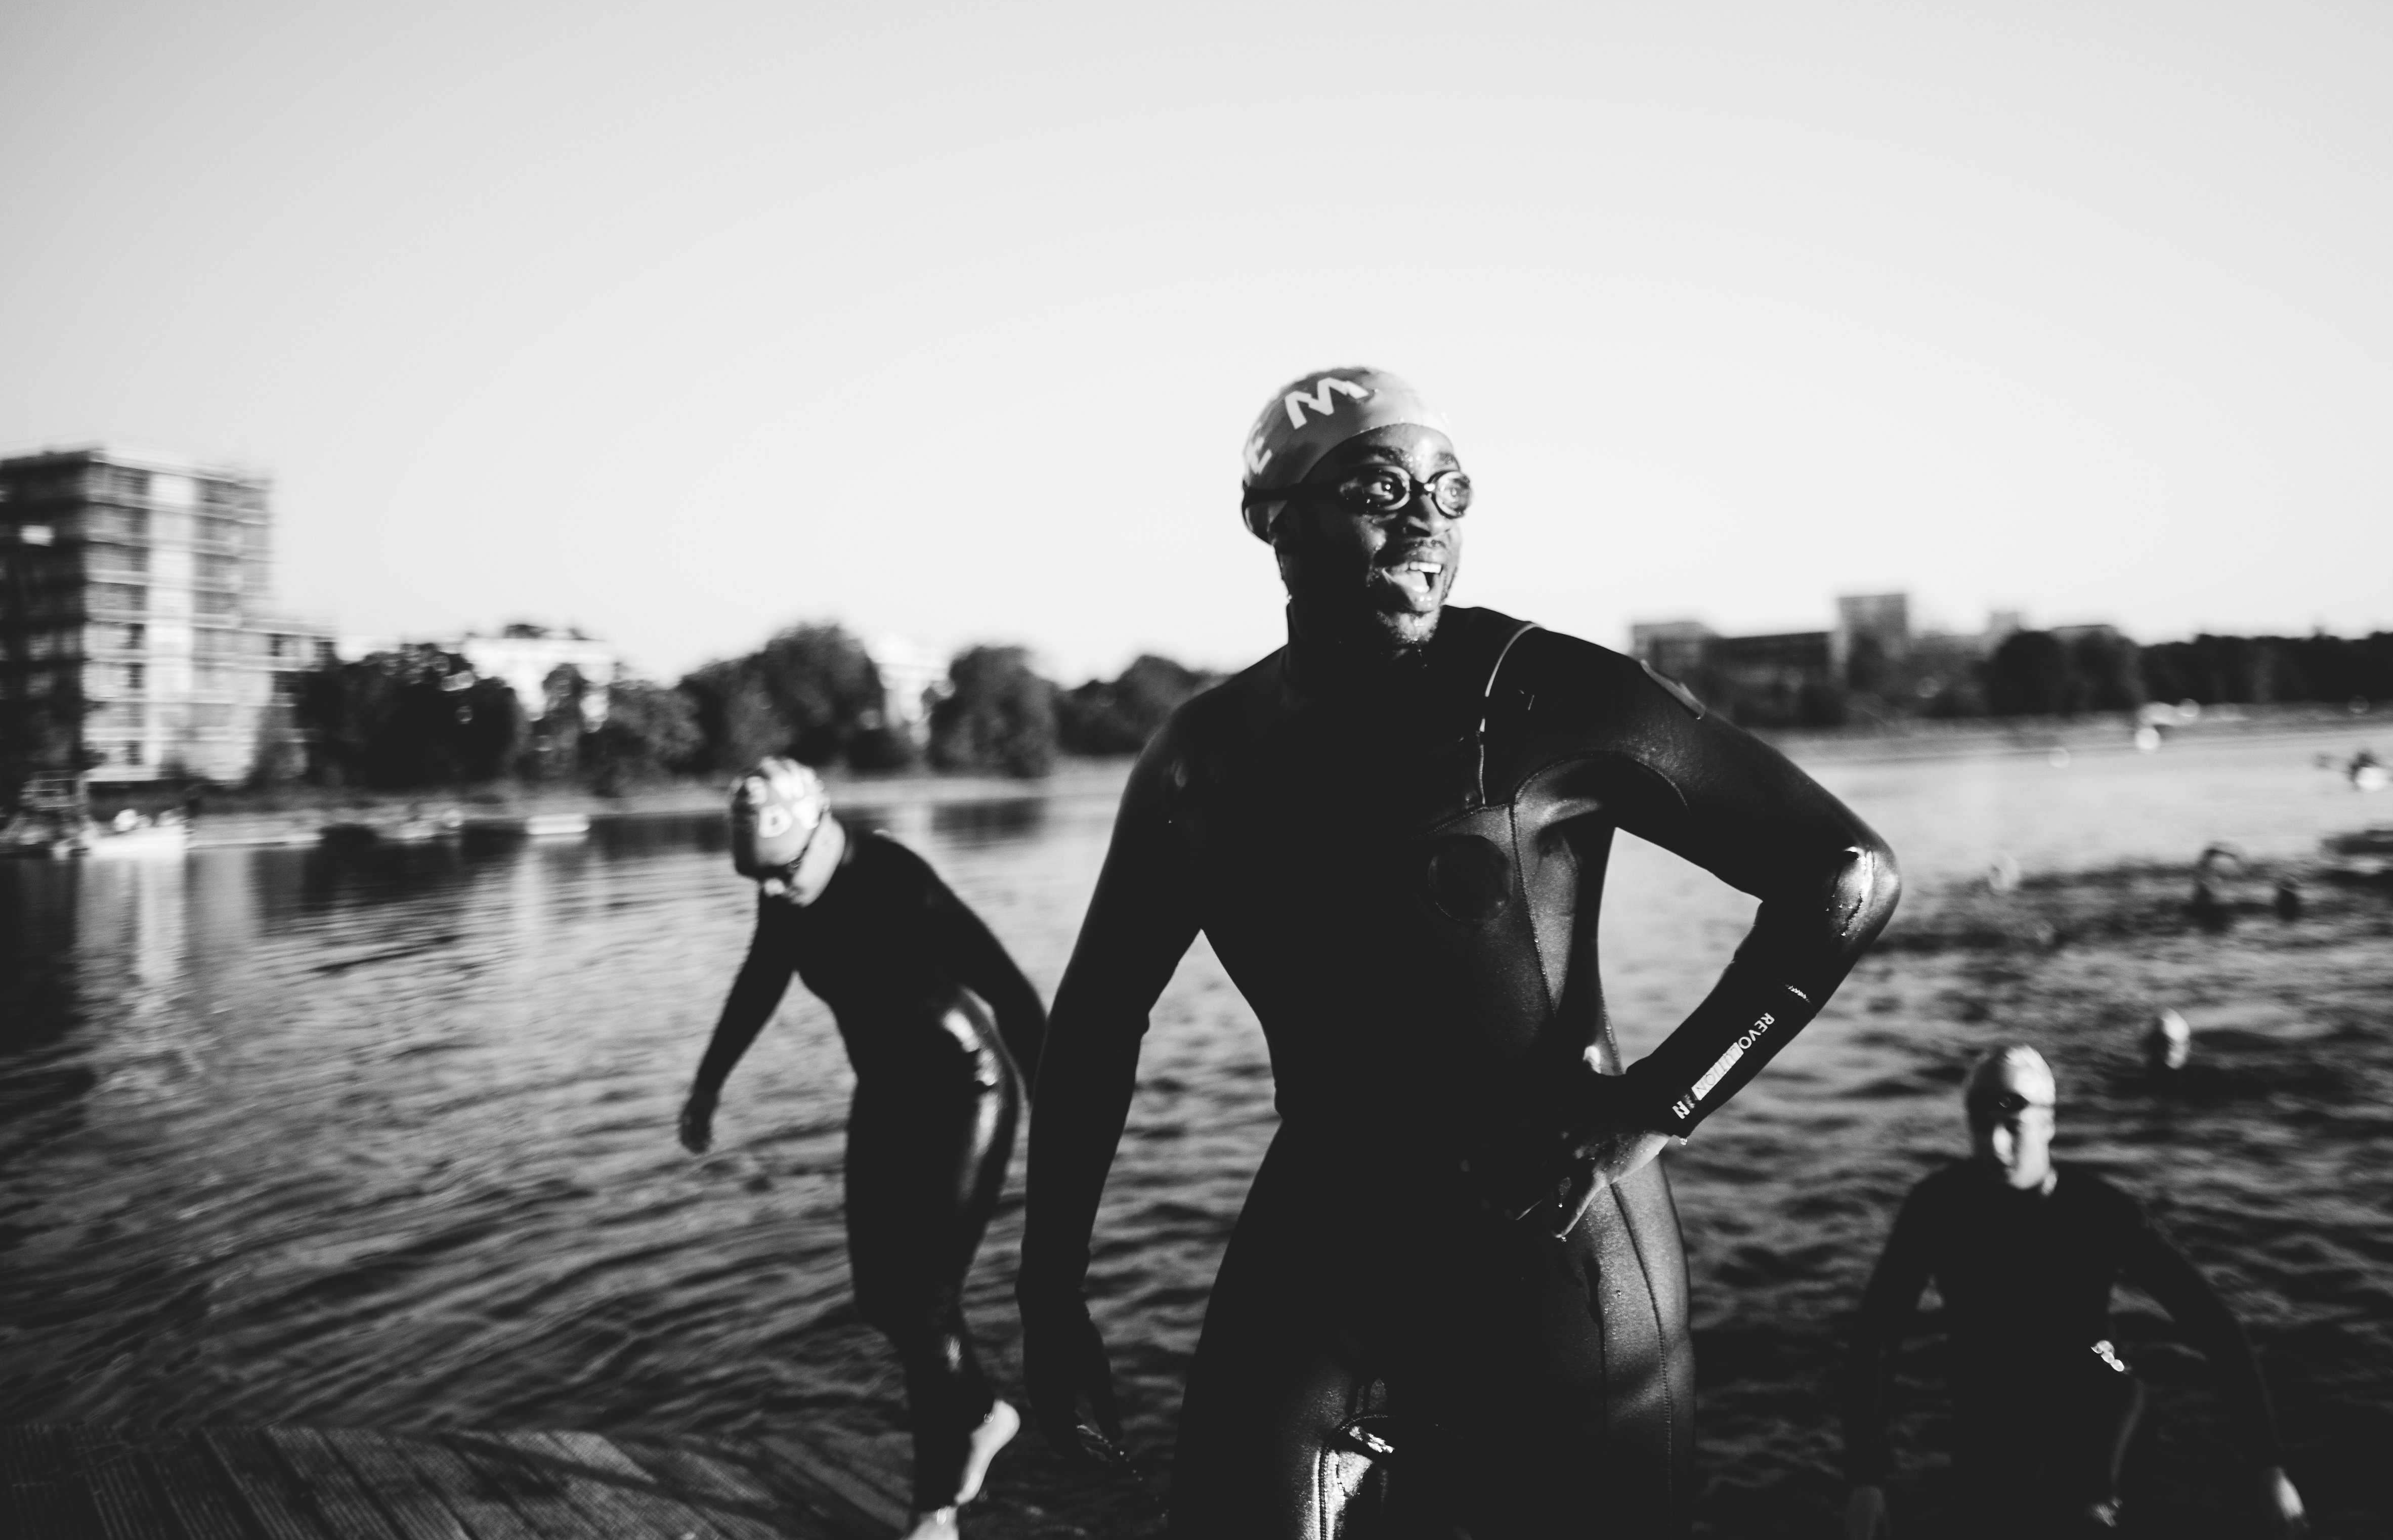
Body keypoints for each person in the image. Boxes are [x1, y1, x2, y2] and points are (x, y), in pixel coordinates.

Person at [1016, 367, 1902, 1538]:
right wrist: (1049, 1297)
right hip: (1323, 1225)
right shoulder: (1200, 757)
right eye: (1378, 486)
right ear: (1269, 519)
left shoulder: (1547, 695)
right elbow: (1092, 1026)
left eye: (1448, 489)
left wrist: (1644, 1107)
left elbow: (1842, 874)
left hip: (1553, 1226)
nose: (1424, 519)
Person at [679, 758, 1047, 1540]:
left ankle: (936, 1510)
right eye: (761, 882)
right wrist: (707, 1086)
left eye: (779, 876)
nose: (772, 895)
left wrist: (1064, 1124)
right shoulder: (785, 891)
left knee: (922, 1299)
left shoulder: (895, 881)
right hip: (885, 1095)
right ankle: (983, 1414)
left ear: (817, 834)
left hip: (964, 1091)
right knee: (880, 1296)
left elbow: (1012, 992)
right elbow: (759, 980)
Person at [1843, 1047, 2308, 1537]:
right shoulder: (1937, 1206)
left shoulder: (2101, 1211)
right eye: (1981, 1125)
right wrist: (1864, 1480)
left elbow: (2212, 1324)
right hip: (1992, 1410)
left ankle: (2096, 1511)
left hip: (2096, 1392)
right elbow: (1878, 1333)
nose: (1996, 1144)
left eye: (2013, 1125)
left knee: (2096, 1455)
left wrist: (2268, 1466)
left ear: (2048, 1123)